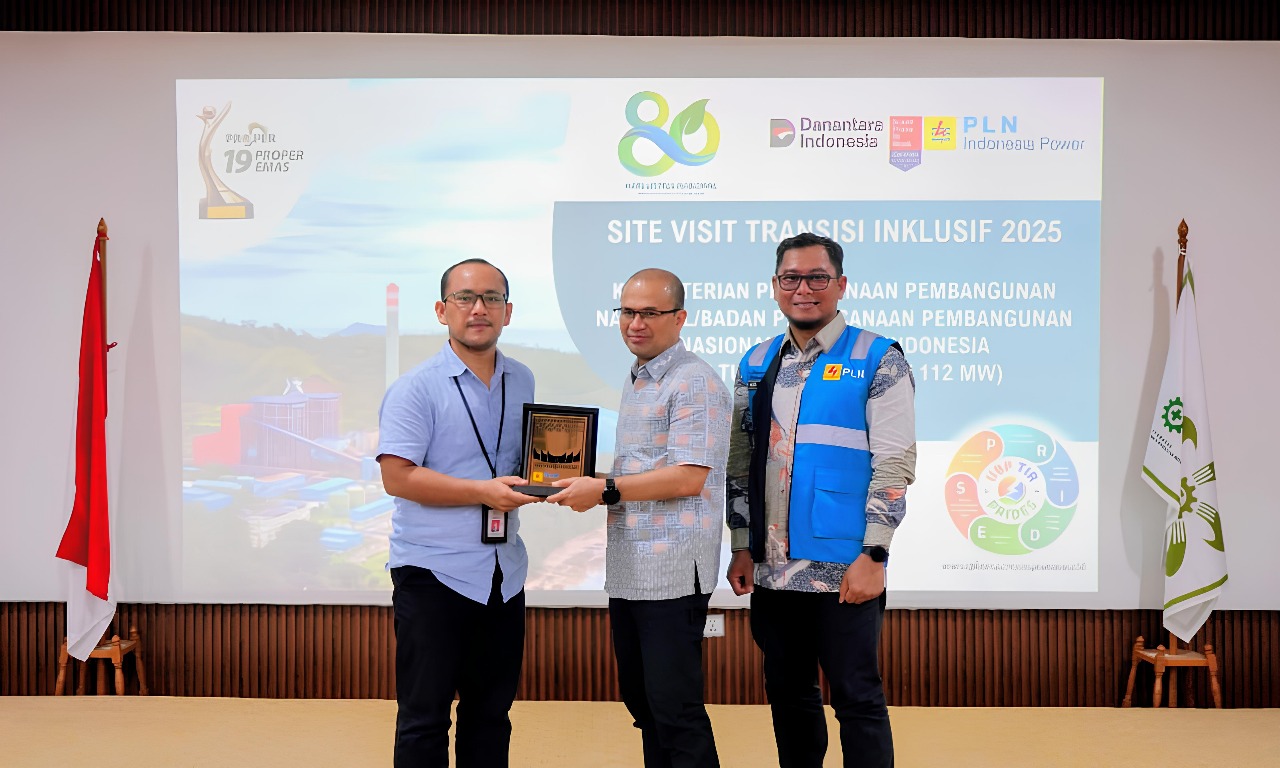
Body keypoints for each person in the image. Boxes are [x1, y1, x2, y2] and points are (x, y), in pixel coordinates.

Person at [725, 233, 916, 768]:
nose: (803, 289)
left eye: (817, 278)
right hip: (773, 568)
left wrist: (875, 554)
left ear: (841, 285)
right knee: (788, 696)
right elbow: (741, 461)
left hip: (845, 566)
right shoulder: (756, 362)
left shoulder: (879, 358)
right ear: (775, 285)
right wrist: (741, 543)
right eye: (792, 278)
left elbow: (894, 465)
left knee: (857, 699)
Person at [549, 268, 731, 768]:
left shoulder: (693, 381)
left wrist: (604, 489)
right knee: (645, 705)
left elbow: (688, 477)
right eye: (628, 311)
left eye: (650, 313)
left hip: (671, 573)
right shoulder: (640, 377)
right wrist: (570, 479)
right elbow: (642, 472)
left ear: (680, 318)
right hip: (631, 569)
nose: (636, 323)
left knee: (675, 711)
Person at [376, 258, 538, 767]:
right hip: (433, 572)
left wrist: (560, 480)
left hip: (503, 573)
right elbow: (397, 477)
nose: (478, 309)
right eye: (465, 298)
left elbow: (520, 463)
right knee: (424, 720)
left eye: (492, 298)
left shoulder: (522, 379)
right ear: (442, 310)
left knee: (491, 715)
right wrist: (481, 492)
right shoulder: (416, 387)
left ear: (508, 311)